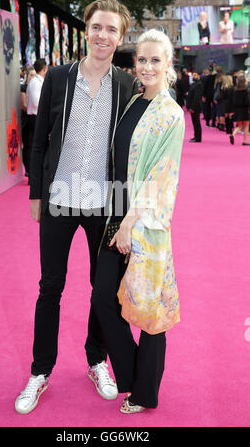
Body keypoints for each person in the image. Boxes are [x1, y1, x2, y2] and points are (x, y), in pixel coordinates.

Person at [15, 0, 138, 415]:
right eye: (98, 27)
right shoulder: (60, 78)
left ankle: (95, 359)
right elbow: (39, 139)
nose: (104, 36)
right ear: (87, 28)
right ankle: (40, 371)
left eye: (112, 30)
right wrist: (36, 192)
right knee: (50, 287)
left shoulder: (126, 85)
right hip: (58, 198)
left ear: (121, 38)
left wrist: (123, 210)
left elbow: (130, 153)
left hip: (102, 204)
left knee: (101, 289)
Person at [91, 28, 185, 414]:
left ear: (169, 65)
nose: (147, 66)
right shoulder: (132, 103)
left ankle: (145, 392)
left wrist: (130, 222)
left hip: (145, 224)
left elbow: (161, 175)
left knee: (149, 310)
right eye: (141, 60)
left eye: (155, 60)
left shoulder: (171, 114)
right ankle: (131, 375)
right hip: (118, 215)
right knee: (103, 298)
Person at [25, 59, 48, 183]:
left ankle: (36, 175)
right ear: (44, 69)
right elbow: (36, 102)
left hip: (38, 117)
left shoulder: (39, 81)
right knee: (35, 147)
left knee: (38, 147)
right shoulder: (35, 82)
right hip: (35, 118)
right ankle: (33, 176)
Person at [20, 66, 36, 177]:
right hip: (26, 121)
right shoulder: (23, 88)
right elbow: (24, 105)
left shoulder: (38, 87)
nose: (33, 78)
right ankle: (28, 169)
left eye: (35, 75)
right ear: (27, 76)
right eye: (31, 75)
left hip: (34, 119)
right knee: (27, 146)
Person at [230, 72, 250, 145]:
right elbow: (247, 102)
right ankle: (245, 141)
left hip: (237, 110)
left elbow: (233, 102)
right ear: (244, 83)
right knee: (246, 125)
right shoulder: (245, 91)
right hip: (244, 110)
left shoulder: (235, 91)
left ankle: (233, 134)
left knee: (240, 126)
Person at [187, 71, 204, 142]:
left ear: (199, 76)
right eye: (193, 75)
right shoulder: (194, 84)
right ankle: (196, 136)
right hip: (193, 106)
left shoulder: (199, 84)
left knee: (196, 122)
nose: (193, 76)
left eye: (195, 75)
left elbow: (196, 97)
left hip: (195, 107)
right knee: (195, 122)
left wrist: (192, 107)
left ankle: (198, 137)